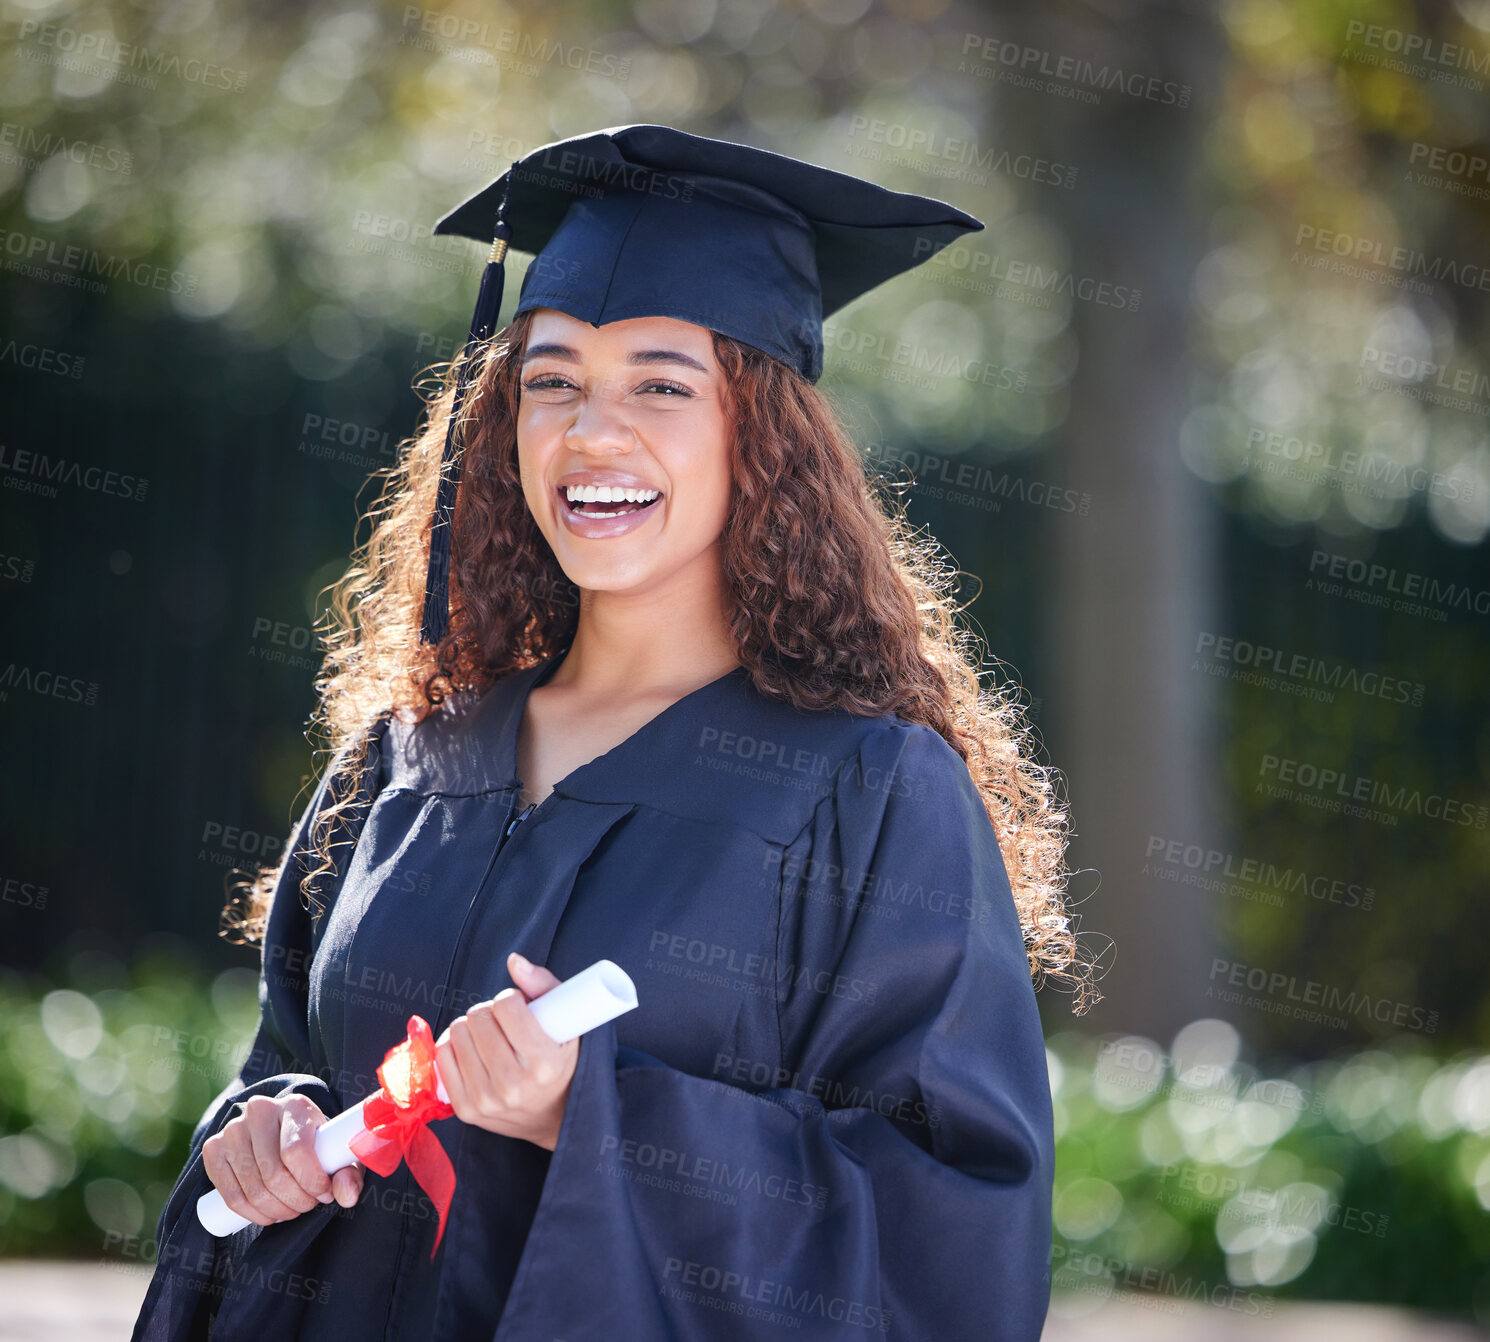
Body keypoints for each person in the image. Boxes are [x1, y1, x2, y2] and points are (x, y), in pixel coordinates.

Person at [132, 123, 1095, 1342]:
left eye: (660, 382)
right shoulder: (410, 758)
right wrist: (262, 1130)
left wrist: (589, 1114)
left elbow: (949, 1234)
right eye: (551, 381)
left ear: (763, 435)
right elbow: (291, 1053)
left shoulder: (865, 790)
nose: (592, 432)